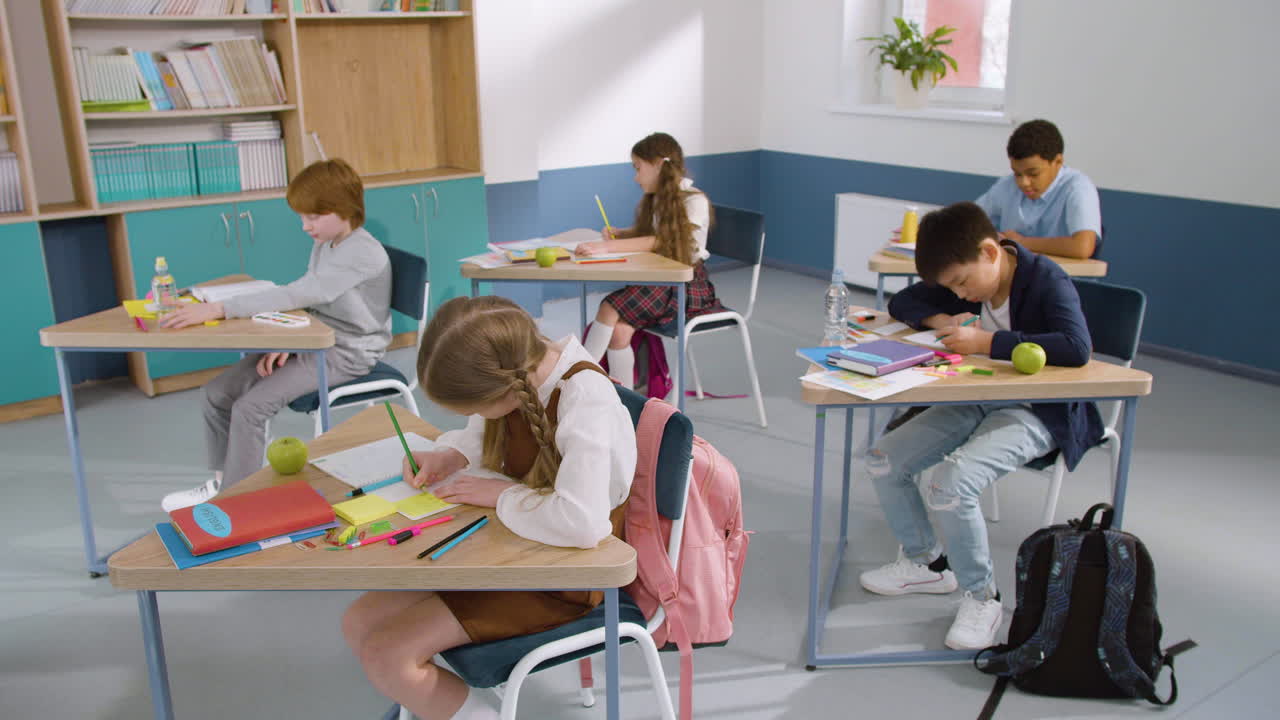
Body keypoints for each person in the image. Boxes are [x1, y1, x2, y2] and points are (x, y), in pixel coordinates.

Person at [341, 296, 636, 720]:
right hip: (512, 546)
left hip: (565, 573)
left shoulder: (585, 399)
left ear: (502, 390)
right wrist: (450, 453)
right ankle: (429, 706)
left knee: (390, 654)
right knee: (359, 621)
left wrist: (498, 495)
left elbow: (584, 523)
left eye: (476, 406)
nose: (477, 415)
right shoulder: (519, 366)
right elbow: (483, 430)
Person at [859, 201, 1103, 650]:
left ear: (991, 253)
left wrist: (988, 342)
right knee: (882, 459)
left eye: (962, 282)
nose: (962, 293)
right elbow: (905, 300)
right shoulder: (968, 280)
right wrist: (940, 318)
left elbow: (1076, 348)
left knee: (952, 483)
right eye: (952, 286)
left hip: (1038, 409)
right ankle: (927, 566)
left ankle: (982, 597)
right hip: (979, 398)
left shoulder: (1045, 279)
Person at [158, 158, 391, 512]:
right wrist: (289, 341)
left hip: (347, 352)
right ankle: (224, 484)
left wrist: (220, 308)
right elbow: (314, 300)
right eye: (302, 217)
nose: (305, 226)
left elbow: (297, 294)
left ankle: (238, 505)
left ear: (343, 209)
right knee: (217, 393)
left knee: (250, 408)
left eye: (313, 217)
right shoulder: (327, 243)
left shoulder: (362, 253)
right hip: (314, 339)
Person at [575, 131, 723, 386]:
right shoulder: (658, 200)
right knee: (620, 332)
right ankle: (624, 402)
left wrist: (606, 247)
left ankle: (578, 380)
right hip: (661, 280)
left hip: (685, 285)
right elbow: (654, 235)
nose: (635, 176)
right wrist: (624, 234)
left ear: (656, 165)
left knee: (609, 307)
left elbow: (663, 241)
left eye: (637, 167)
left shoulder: (694, 200)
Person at [975, 118, 1102, 259]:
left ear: (1058, 162)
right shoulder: (1007, 185)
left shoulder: (1078, 188)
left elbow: (1082, 247)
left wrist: (1022, 242)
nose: (1024, 182)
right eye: (1017, 173)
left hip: (1060, 278)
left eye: (1033, 174)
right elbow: (969, 220)